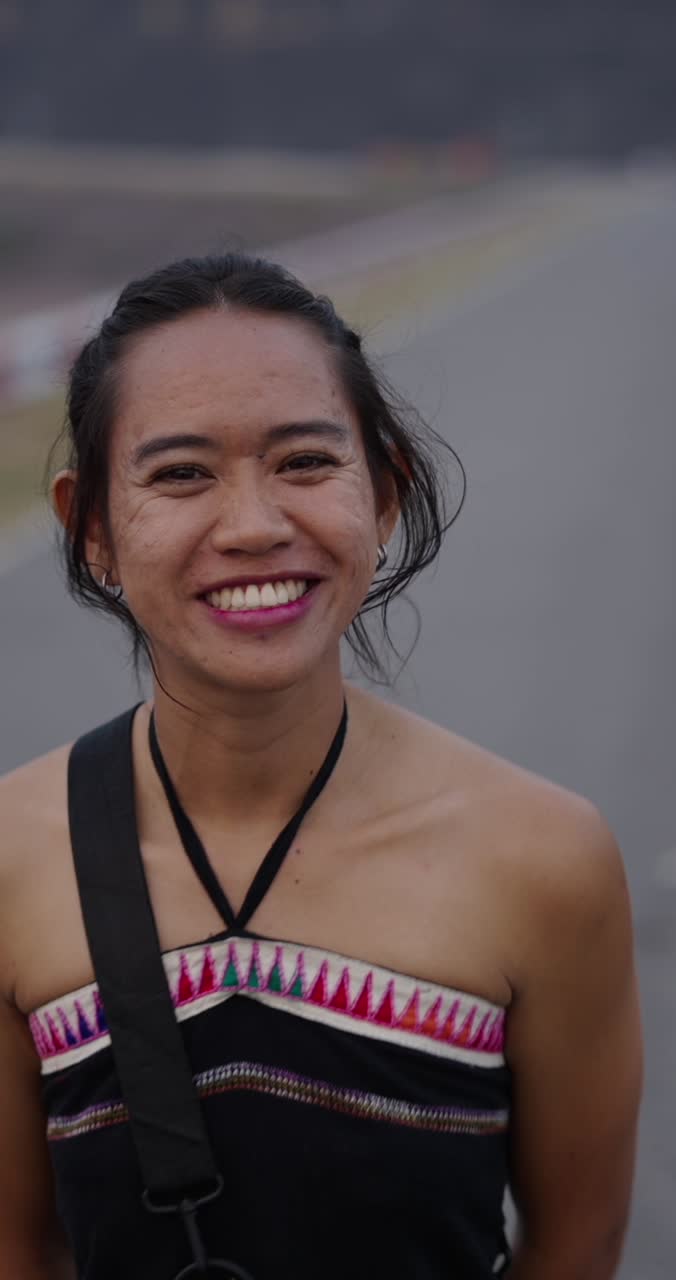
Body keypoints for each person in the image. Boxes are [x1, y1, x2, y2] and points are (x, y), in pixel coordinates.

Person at [0, 253, 642, 1280]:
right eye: (180, 473)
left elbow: (576, 1246)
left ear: (384, 494)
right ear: (90, 531)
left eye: (304, 461)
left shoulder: (544, 859)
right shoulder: (12, 864)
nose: (254, 525)